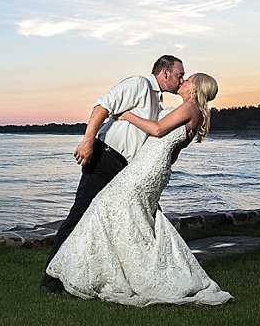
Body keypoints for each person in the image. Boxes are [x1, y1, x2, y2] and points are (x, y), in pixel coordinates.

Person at [45, 73, 234, 306]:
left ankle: (88, 271)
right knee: (128, 216)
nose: (183, 81)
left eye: (188, 79)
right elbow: (172, 153)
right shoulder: (192, 113)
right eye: (181, 76)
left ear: (195, 89)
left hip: (146, 167)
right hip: (151, 165)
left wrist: (126, 115)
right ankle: (102, 267)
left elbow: (156, 130)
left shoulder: (189, 108)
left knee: (105, 206)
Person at [40, 55, 186, 294]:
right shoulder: (139, 84)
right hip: (105, 157)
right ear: (165, 72)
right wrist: (87, 141)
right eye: (179, 75)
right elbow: (102, 106)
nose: (181, 80)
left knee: (121, 224)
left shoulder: (157, 103)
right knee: (79, 216)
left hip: (125, 169)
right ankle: (51, 280)